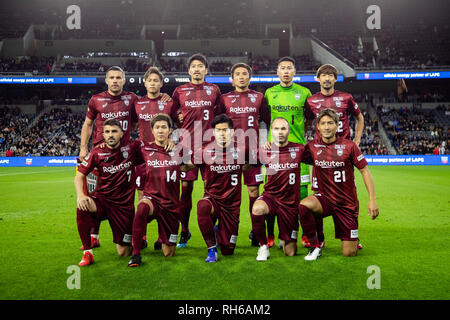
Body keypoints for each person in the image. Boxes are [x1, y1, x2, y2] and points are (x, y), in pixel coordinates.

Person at [299, 108, 379, 261]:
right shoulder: (312, 147)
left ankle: (352, 237)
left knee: (349, 253)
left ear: (337, 126)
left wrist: (372, 199)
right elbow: (292, 152)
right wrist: (271, 145)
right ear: (318, 127)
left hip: (346, 203)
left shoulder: (349, 146)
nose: (327, 127)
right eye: (323, 123)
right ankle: (315, 245)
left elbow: (364, 171)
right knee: (304, 206)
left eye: (330, 123)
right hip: (325, 200)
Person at [78, 66, 139, 250]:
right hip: (99, 152)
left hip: (124, 153)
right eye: (111, 77)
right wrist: (83, 147)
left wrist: (124, 138)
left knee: (125, 194)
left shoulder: (132, 99)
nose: (114, 80)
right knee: (93, 193)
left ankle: (131, 234)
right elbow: (88, 124)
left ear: (124, 80)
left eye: (118, 77)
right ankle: (93, 236)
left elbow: (137, 121)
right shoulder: (96, 99)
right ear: (106, 80)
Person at [304, 64, 364, 249]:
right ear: (318, 79)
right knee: (317, 195)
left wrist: (356, 141)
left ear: (335, 79)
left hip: (343, 155)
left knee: (350, 196)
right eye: (323, 75)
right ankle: (319, 238)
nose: (327, 78)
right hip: (320, 155)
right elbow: (306, 121)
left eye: (330, 75)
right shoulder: (311, 101)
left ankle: (354, 235)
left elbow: (359, 117)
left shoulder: (346, 97)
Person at [74, 119, 143, 266]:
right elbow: (79, 177)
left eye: (114, 131)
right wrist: (80, 195)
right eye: (107, 132)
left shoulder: (132, 147)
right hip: (103, 202)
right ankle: (88, 252)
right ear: (103, 134)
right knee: (82, 205)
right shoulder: (97, 152)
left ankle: (134, 240)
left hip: (124, 208)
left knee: (123, 252)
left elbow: (152, 149)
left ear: (122, 133)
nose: (110, 135)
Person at [181, 114, 248, 262]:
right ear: (213, 132)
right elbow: (186, 166)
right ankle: (211, 249)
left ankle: (219, 231)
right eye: (218, 130)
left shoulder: (243, 150)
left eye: (225, 130)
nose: (222, 133)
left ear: (232, 132)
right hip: (213, 199)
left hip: (232, 205)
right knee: (202, 206)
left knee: (228, 250)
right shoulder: (204, 151)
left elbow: (257, 163)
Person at [217, 62, 270, 247]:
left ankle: (256, 231)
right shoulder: (224, 99)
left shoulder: (259, 97)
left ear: (250, 77)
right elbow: (218, 125)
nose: (241, 76)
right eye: (237, 74)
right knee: (228, 194)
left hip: (252, 154)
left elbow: (264, 122)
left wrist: (263, 145)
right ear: (232, 79)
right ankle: (227, 229)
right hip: (229, 154)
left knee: (254, 191)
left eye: (244, 73)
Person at [172, 53, 221, 248]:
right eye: (194, 66)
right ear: (189, 70)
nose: (197, 69)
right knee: (186, 190)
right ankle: (184, 230)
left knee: (213, 190)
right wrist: (177, 117)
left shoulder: (214, 90)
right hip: (187, 147)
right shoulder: (179, 91)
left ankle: (214, 228)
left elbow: (220, 113)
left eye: (201, 66)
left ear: (206, 70)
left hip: (210, 147)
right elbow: (171, 112)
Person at [264, 56, 312, 248]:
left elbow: (309, 118)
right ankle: (270, 236)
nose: (285, 71)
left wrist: (298, 137)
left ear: (294, 72)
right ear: (277, 72)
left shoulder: (304, 92)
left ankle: (302, 234)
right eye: (282, 68)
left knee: (300, 195)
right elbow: (266, 118)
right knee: (271, 193)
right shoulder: (269, 93)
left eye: (289, 68)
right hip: (273, 152)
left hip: (298, 151)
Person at [128, 114, 182, 267]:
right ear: (152, 130)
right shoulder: (144, 149)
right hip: (152, 199)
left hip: (171, 205)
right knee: (142, 207)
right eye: (157, 127)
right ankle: (136, 254)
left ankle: (164, 239)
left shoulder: (179, 150)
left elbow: (191, 165)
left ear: (170, 130)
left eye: (164, 127)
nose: (160, 130)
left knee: (169, 253)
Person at [133, 66, 177, 250]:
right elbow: (131, 124)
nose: (152, 83)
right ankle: (141, 236)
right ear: (145, 83)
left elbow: (177, 124)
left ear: (161, 83)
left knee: (165, 196)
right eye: (149, 80)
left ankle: (162, 237)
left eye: (156, 80)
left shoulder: (169, 102)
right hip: (143, 157)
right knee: (143, 196)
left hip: (164, 155)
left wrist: (173, 139)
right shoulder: (136, 103)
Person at [251, 117, 305, 261]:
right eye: (276, 129)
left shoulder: (299, 149)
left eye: (283, 128)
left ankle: (284, 238)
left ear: (289, 131)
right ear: (271, 132)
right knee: (257, 209)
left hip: (290, 203)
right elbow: (246, 164)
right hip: (271, 198)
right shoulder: (263, 151)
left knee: (291, 252)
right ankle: (263, 247)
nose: (280, 132)